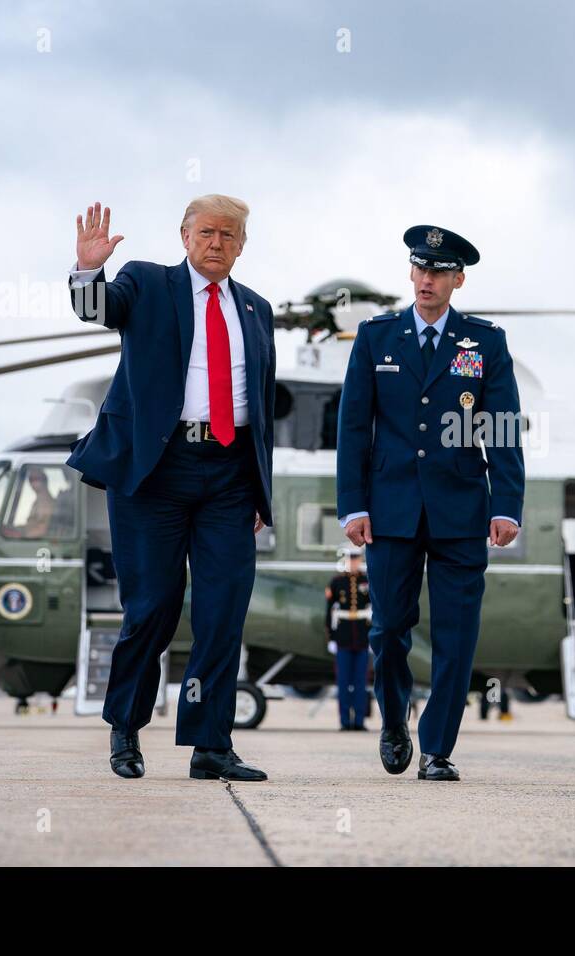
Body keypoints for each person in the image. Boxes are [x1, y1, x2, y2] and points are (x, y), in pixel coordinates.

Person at [67, 197, 276, 782]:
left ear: (241, 245)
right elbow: (99, 311)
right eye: (206, 232)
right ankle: (126, 728)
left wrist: (260, 490)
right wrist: (88, 273)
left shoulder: (257, 310)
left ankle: (211, 744)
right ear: (184, 236)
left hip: (230, 474)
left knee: (222, 611)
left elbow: (261, 407)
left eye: (228, 235)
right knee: (153, 606)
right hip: (154, 470)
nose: (216, 242)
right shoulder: (147, 283)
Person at [336, 224, 525, 782]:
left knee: (456, 634)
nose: (427, 279)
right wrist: (352, 504)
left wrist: (507, 504)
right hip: (390, 509)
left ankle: (438, 747)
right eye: (420, 269)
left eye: (439, 272)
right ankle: (395, 719)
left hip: (462, 510)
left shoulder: (484, 341)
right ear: (411, 274)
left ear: (457, 280)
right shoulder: (376, 336)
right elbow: (353, 428)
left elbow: (505, 427)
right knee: (389, 627)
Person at [326, 546, 371, 731]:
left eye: (356, 558)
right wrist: (331, 637)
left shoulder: (367, 581)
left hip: (362, 636)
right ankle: (345, 721)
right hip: (343, 636)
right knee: (343, 682)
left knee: (361, 682)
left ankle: (359, 721)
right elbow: (329, 610)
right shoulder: (337, 582)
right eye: (350, 558)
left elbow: (373, 610)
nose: (353, 562)